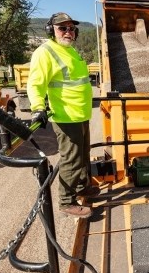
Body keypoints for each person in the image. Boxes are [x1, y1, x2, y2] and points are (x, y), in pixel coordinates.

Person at [27, 12, 99, 218]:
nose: (68, 32)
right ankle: (66, 201)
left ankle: (81, 187)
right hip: (66, 116)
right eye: (62, 28)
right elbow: (35, 83)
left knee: (83, 155)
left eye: (71, 28)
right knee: (71, 159)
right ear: (52, 31)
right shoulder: (46, 52)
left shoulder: (70, 51)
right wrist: (38, 108)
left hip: (80, 114)